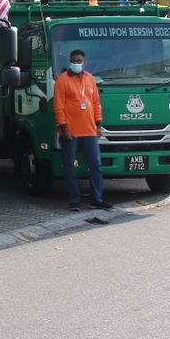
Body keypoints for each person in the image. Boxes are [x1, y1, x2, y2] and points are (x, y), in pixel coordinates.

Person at [52, 48, 112, 222]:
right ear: (69, 61)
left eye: (80, 61)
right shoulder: (62, 80)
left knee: (96, 165)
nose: (77, 63)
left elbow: (95, 103)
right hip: (70, 132)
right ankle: (74, 200)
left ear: (84, 62)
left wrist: (98, 124)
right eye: (74, 61)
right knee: (69, 166)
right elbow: (59, 107)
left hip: (90, 131)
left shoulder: (90, 78)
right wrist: (64, 129)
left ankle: (97, 199)